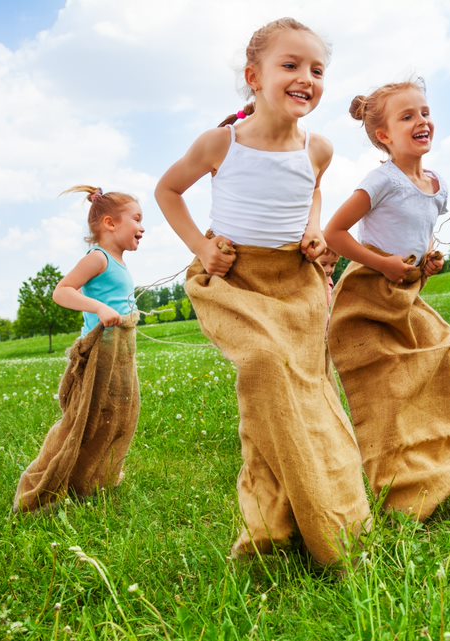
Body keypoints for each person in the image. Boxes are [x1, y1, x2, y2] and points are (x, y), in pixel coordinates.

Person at [155, 17, 370, 565]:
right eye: (290, 65)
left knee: (304, 395)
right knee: (264, 363)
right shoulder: (221, 143)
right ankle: (287, 520)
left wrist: (313, 230)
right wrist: (202, 248)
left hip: (295, 285)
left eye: (317, 70)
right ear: (254, 76)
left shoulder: (318, 149)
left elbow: (313, 192)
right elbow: (168, 190)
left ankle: (301, 520)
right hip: (234, 280)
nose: (306, 79)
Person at [324, 80, 450, 522]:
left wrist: (428, 260)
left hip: (405, 290)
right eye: (407, 116)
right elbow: (335, 233)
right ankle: (400, 485)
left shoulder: (436, 185)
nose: (421, 121)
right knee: (389, 384)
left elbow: (419, 233)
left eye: (424, 112)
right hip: (368, 293)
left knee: (442, 351)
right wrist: (383, 263)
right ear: (384, 135)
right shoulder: (381, 181)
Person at [14, 185, 144, 513]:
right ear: (110, 223)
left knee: (117, 415)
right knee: (84, 419)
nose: (142, 227)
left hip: (120, 352)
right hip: (100, 351)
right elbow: (62, 291)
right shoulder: (98, 258)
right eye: (137, 219)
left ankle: (94, 479)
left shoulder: (119, 262)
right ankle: (39, 491)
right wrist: (99, 308)